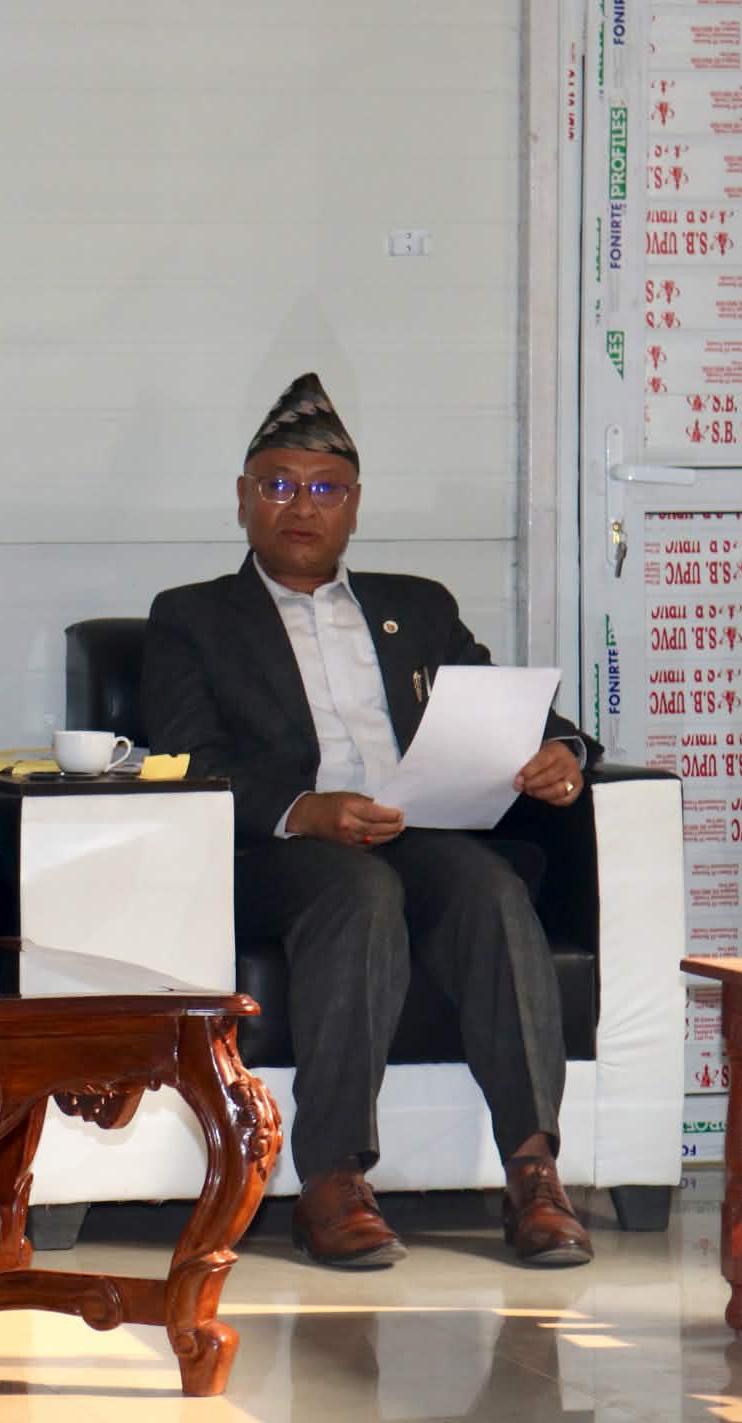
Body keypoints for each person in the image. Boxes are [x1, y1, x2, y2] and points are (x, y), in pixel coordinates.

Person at [141, 373, 596, 1270]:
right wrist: (303, 809)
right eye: (278, 485)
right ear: (243, 499)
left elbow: (507, 708)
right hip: (277, 851)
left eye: (325, 489)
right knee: (359, 892)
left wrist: (562, 749)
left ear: (353, 506)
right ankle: (333, 1178)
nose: (301, 506)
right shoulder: (191, 617)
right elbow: (187, 754)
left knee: (491, 889)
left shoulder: (418, 606)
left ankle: (534, 1170)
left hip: (417, 832)